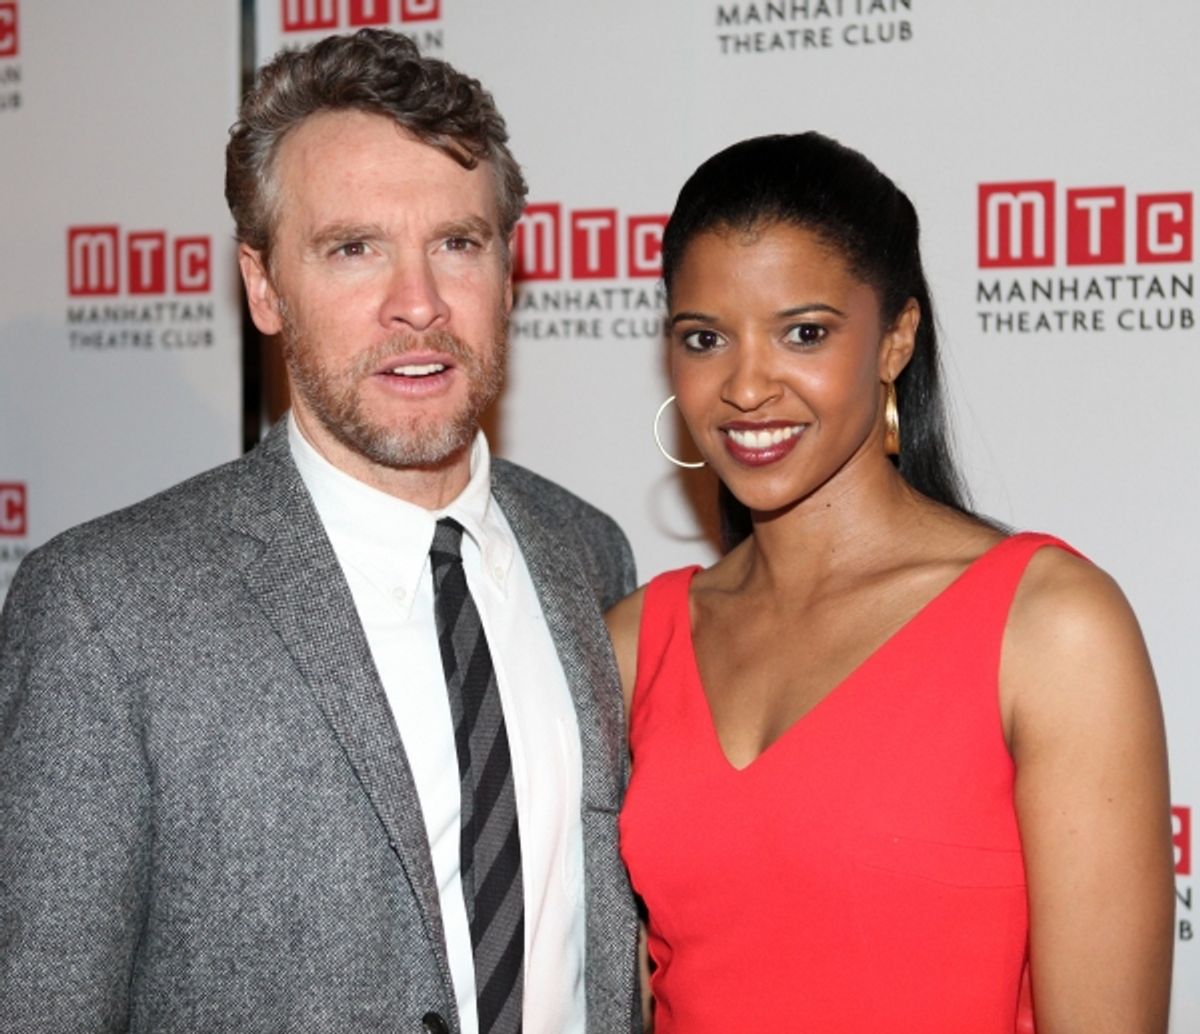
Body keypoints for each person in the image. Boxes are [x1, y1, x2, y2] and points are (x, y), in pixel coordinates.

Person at [0, 29, 640, 1034]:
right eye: (354, 248)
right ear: (263, 286)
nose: (418, 304)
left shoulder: (588, 553)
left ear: (510, 269)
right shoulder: (103, 611)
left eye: (457, 243)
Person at [608, 133, 1175, 1033]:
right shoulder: (637, 643)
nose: (747, 386)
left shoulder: (1050, 629)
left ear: (896, 338)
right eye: (705, 338)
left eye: (804, 333)